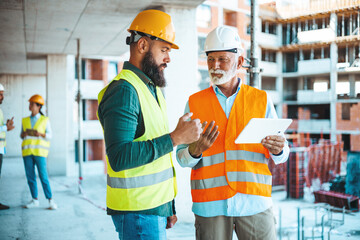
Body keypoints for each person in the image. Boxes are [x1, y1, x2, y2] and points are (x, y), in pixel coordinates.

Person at [176, 26, 290, 240]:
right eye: (210, 59)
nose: (215, 66)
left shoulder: (261, 99)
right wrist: (194, 151)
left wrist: (280, 149)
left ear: (238, 62)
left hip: (255, 203)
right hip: (210, 206)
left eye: (222, 59)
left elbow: (283, 154)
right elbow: (181, 158)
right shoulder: (194, 103)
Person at [97, 9, 202, 240]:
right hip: (137, 212)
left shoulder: (150, 88)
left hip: (152, 210)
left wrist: (167, 205)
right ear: (143, 45)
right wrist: (176, 138)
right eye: (164, 49)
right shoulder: (124, 90)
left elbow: (156, 157)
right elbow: (119, 157)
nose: (168, 58)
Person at [20, 94, 57, 210]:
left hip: (40, 153)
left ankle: (50, 200)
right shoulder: (25, 120)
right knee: (30, 177)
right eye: (30, 104)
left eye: (32, 104)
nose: (30, 106)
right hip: (27, 153)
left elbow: (50, 135)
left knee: (43, 177)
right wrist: (24, 134)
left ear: (39, 107)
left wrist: (41, 134)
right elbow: (21, 136)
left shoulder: (45, 120)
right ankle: (34, 200)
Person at [0, 83, 15, 210]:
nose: (2, 97)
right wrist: (6, 127)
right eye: (0, 94)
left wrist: (6, 125)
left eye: (2, 94)